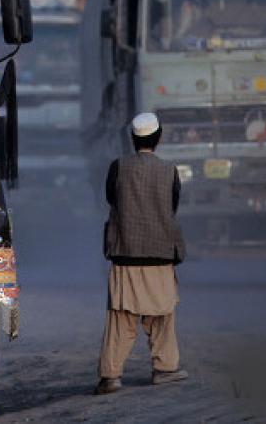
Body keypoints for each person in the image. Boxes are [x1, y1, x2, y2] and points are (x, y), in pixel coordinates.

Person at [95, 112, 188, 395]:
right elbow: (172, 206)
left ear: (133, 139)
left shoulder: (118, 167)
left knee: (120, 317)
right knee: (162, 315)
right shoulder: (170, 170)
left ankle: (110, 377)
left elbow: (112, 199)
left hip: (125, 254)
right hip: (160, 254)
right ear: (158, 139)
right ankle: (165, 369)